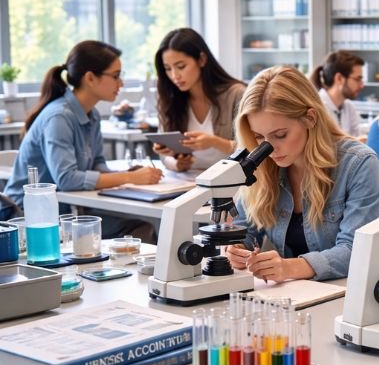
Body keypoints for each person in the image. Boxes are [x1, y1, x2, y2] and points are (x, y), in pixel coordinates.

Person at [225, 66, 379, 282]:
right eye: (258, 137)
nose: (269, 149)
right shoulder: (263, 166)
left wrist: (289, 267)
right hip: (300, 292)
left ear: (310, 118)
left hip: (359, 289)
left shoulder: (359, 164)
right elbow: (243, 229)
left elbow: (356, 250)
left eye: (280, 135)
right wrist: (235, 248)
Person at [3, 41, 162, 240]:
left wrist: (127, 174)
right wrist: (129, 178)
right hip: (28, 220)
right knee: (138, 229)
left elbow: (97, 163)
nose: (121, 83)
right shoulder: (59, 117)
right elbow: (67, 179)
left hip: (66, 213)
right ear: (90, 78)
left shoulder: (92, 115)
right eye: (115, 76)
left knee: (141, 226)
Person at [154, 28, 246, 172]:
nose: (174, 75)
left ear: (202, 60)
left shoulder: (236, 94)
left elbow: (253, 149)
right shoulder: (171, 98)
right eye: (168, 69)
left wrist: (214, 142)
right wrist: (176, 163)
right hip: (188, 180)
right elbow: (165, 159)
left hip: (230, 180)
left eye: (181, 66)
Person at [310, 50, 365, 138]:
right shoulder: (317, 109)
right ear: (339, 78)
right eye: (357, 79)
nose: (362, 85)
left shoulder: (349, 107)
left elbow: (358, 135)